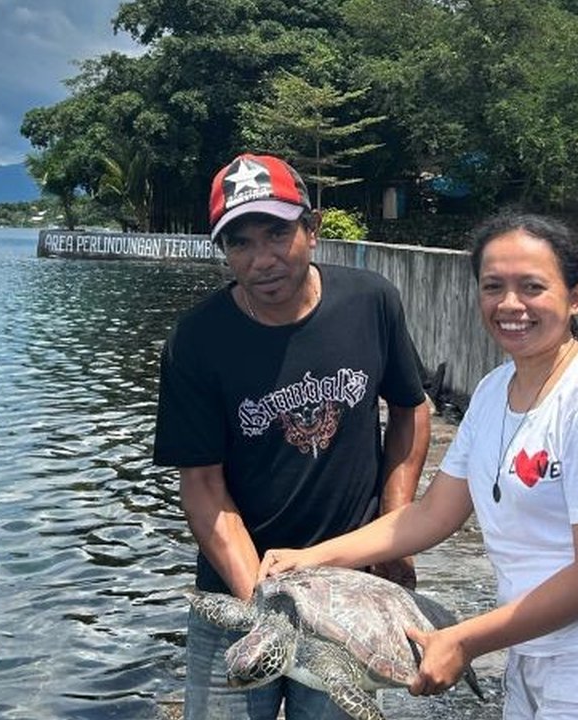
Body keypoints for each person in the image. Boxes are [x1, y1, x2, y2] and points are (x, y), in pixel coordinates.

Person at [260, 212, 578, 719]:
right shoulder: (493, 390)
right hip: (532, 642)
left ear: (576, 297)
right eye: (493, 286)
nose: (510, 305)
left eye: (532, 287)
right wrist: (311, 558)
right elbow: (432, 514)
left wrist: (464, 641)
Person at [152, 152, 432, 719]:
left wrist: (394, 531)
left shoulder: (370, 302)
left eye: (277, 233)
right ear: (224, 251)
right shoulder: (197, 341)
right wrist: (266, 609)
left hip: (348, 594)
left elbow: (411, 411)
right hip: (238, 589)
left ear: (313, 228)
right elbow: (202, 486)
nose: (262, 260)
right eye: (240, 243)